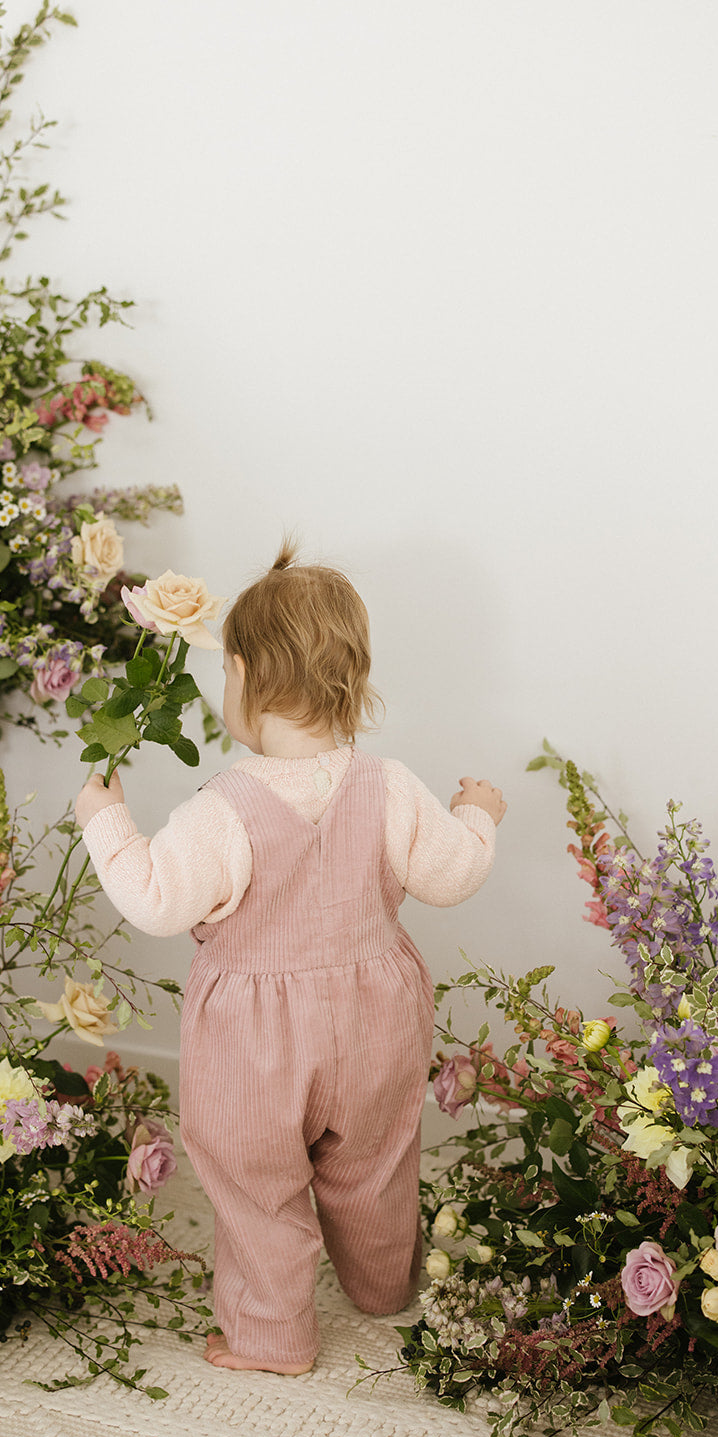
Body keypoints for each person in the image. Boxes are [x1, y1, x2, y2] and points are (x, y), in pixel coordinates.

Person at [75, 544, 505, 1375]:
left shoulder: (223, 810)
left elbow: (156, 899)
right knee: (375, 1159)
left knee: (255, 1182)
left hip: (254, 1044)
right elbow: (453, 874)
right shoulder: (390, 785)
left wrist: (105, 819)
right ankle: (382, 1288)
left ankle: (272, 1336)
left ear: (237, 675)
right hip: (377, 1016)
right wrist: (475, 813)